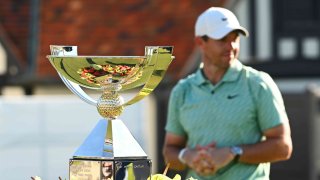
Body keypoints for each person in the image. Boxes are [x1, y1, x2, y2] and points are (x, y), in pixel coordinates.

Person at [162, 7, 292, 180]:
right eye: (222, 40)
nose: (231, 46)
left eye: (235, 39)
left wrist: (233, 152)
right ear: (200, 42)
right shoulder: (182, 91)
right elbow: (170, 151)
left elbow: (283, 147)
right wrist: (188, 156)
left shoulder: (259, 84)